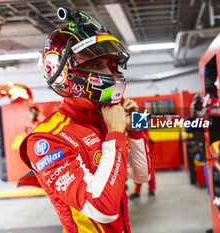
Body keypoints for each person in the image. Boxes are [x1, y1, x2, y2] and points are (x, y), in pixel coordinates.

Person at [19, 8, 151, 233]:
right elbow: (102, 209)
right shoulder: (46, 139)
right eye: (96, 65)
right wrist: (117, 133)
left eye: (110, 65)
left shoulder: (105, 116)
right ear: (63, 71)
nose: (109, 73)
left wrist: (136, 127)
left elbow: (142, 176)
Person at [129, 132, 156, 199]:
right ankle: (151, 190)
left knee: (140, 167)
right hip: (144, 140)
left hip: (141, 140)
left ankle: (137, 192)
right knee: (148, 168)